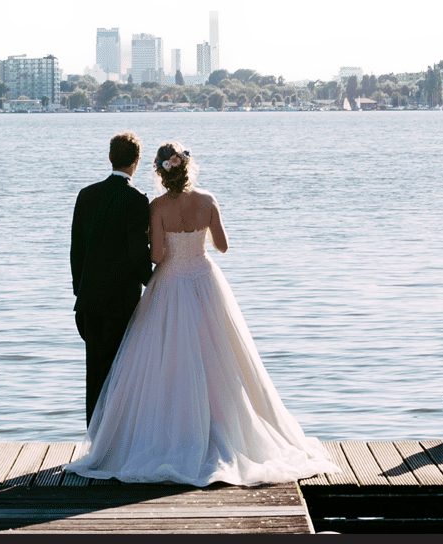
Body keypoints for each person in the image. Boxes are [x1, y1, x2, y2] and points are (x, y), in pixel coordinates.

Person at [65, 142, 340, 487]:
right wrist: (201, 236)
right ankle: (223, 428)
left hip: (170, 284)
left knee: (166, 361)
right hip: (205, 282)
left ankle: (149, 434)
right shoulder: (208, 201)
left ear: (161, 171)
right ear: (187, 167)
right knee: (220, 358)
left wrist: (160, 244)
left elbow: (157, 256)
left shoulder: (157, 206)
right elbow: (223, 246)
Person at [70, 132, 155, 423]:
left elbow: (76, 249)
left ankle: (94, 440)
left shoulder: (86, 194)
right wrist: (154, 282)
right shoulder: (137, 199)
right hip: (122, 303)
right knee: (122, 373)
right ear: (137, 161)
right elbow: (136, 253)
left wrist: (79, 290)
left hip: (89, 302)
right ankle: (116, 442)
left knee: (94, 374)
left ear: (110, 157)